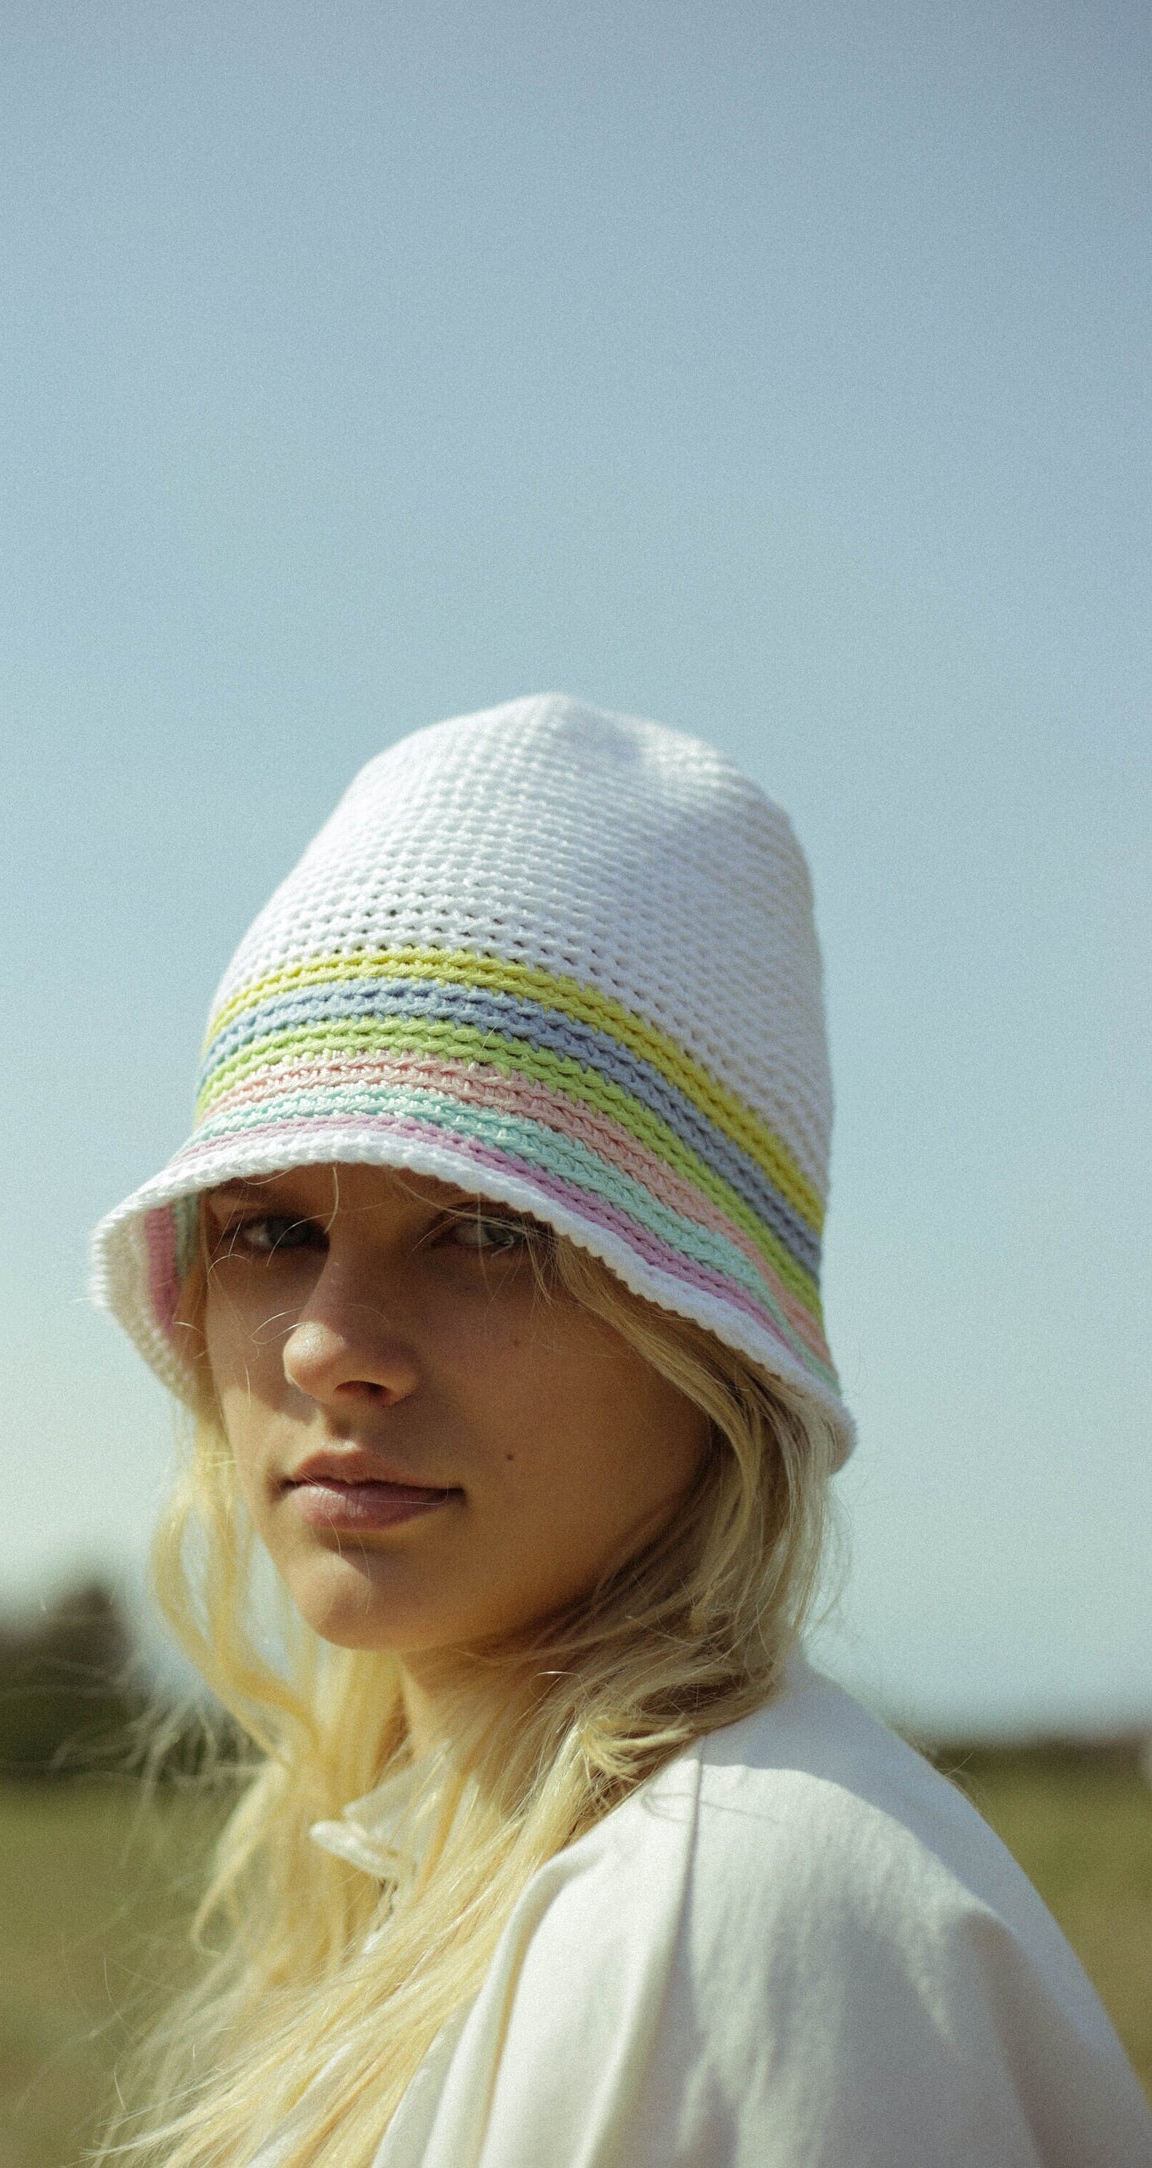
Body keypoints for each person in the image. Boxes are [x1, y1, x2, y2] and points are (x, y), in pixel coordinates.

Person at [90, 694, 1151, 2167]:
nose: (328, 1346)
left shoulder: (746, 1922)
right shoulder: (467, 1851)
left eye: (480, 1231)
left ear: (707, 1327)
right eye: (269, 1228)